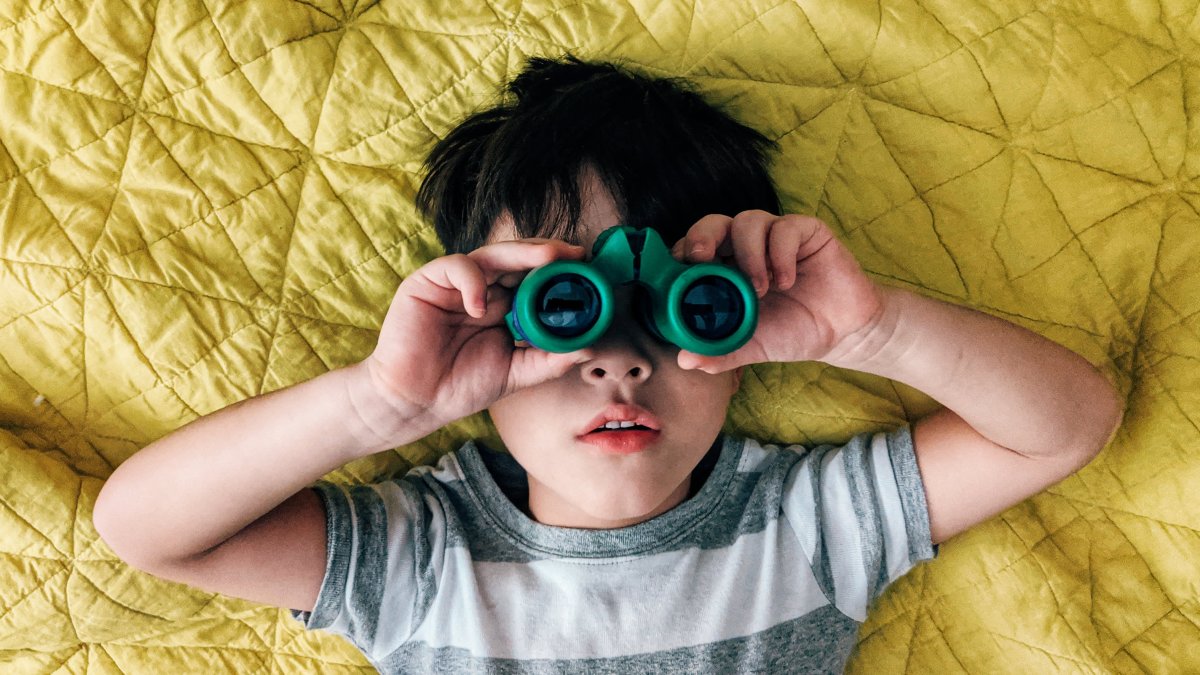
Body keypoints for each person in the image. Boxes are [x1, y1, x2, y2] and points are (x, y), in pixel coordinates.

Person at [92, 55, 1124, 673]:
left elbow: (1064, 427)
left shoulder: (807, 525)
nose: (619, 364)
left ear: (745, 340)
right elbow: (147, 529)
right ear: (484, 323)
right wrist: (381, 402)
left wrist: (867, 332)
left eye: (688, 312)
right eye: (563, 313)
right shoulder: (422, 556)